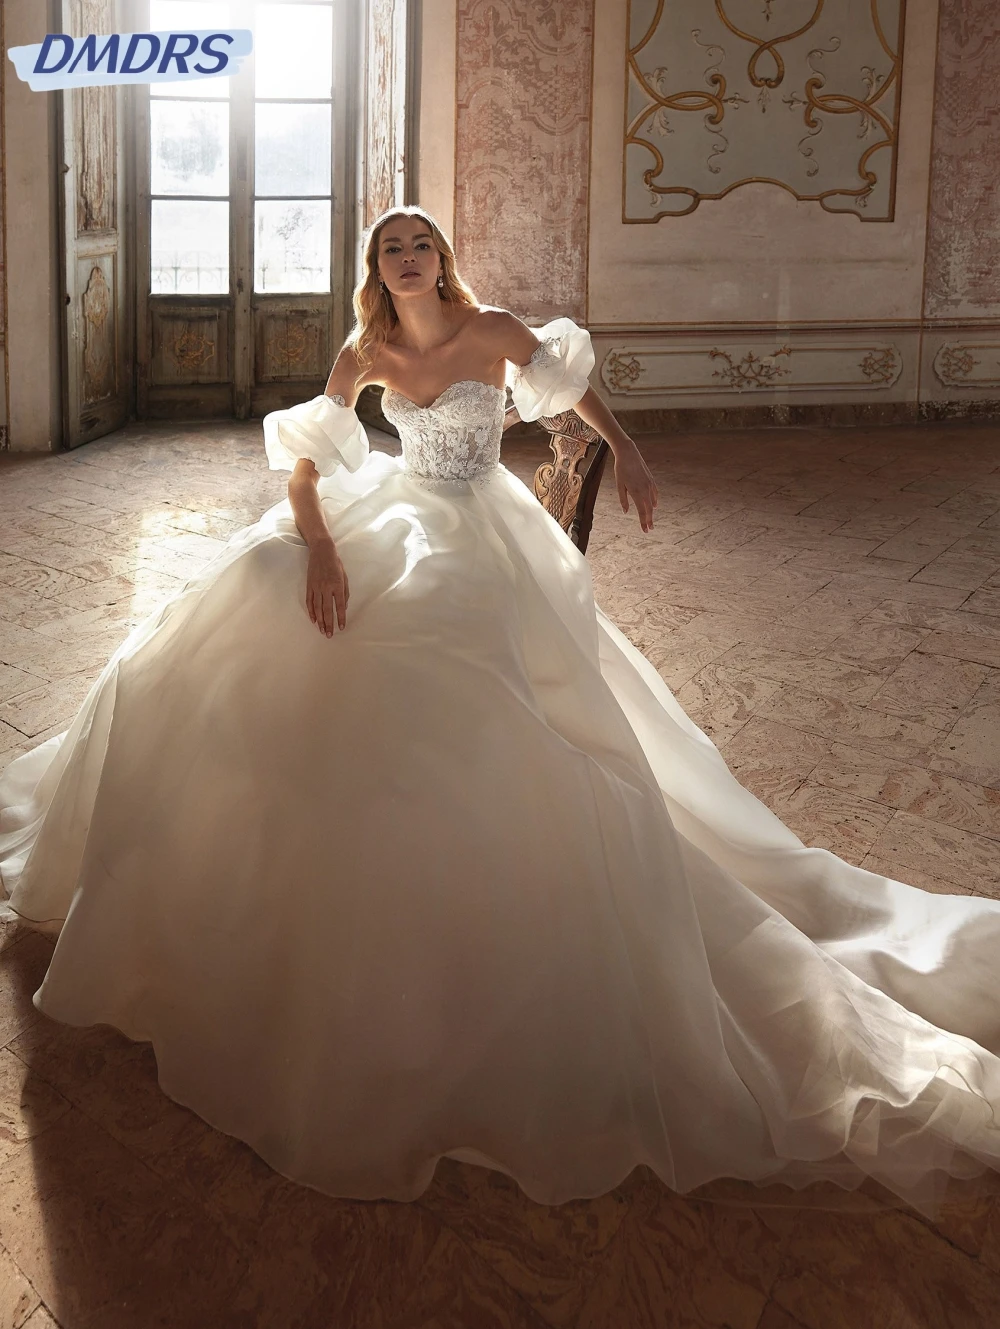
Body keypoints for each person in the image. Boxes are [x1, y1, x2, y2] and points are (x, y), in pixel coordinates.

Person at [2, 206, 1000, 1215]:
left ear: (440, 260)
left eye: (420, 244)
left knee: (452, 665)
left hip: (480, 529)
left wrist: (635, 453)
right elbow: (304, 466)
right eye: (391, 248)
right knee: (250, 594)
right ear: (374, 268)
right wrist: (317, 544)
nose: (407, 258)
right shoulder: (366, 350)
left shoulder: (492, 332)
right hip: (393, 515)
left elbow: (572, 395)